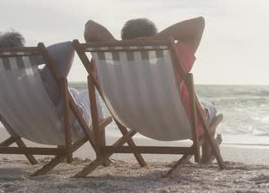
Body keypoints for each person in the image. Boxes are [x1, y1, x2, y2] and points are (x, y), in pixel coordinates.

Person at [84, 17, 222, 164]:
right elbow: (198, 23)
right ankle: (208, 148)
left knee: (199, 103)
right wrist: (154, 40)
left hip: (135, 122)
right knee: (209, 107)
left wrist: (118, 45)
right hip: (184, 125)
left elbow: (90, 27)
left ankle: (209, 146)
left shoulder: (108, 66)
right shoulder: (170, 62)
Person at [0, 30, 102, 136]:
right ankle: (101, 151)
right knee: (92, 95)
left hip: (22, 130)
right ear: (20, 56)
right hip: (62, 129)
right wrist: (26, 60)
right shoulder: (40, 86)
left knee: (72, 92)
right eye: (24, 51)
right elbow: (67, 48)